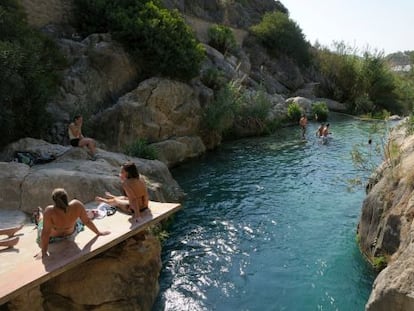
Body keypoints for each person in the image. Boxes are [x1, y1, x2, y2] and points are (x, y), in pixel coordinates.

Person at [34, 188, 110, 259]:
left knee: (41, 222)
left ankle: (40, 214)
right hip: (71, 233)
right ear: (66, 197)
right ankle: (40, 214)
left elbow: (45, 233)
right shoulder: (77, 204)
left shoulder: (49, 211)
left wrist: (44, 251)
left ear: (54, 200)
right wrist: (98, 232)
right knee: (79, 220)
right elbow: (86, 221)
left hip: (53, 239)